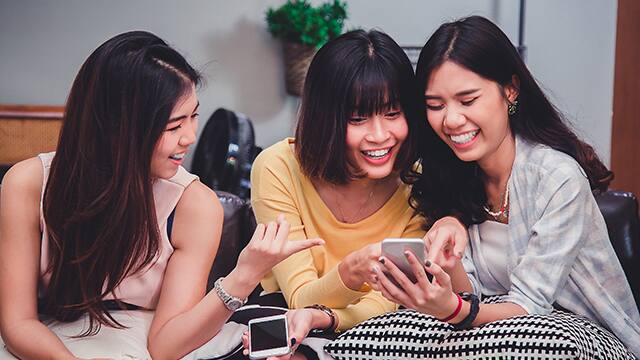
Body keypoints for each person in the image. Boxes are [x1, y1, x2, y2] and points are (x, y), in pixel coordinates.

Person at [0, 31, 321, 360]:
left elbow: (166, 345)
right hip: (47, 343)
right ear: (119, 127)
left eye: (193, 117)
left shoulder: (194, 204)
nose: (191, 137)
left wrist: (245, 275)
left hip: (145, 344)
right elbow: (18, 322)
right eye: (174, 126)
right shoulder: (28, 184)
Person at [368, 16, 640, 357]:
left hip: (578, 335)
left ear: (510, 89)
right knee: (387, 332)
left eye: (468, 101)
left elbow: (529, 306)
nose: (451, 120)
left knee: (537, 342)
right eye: (435, 106)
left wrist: (453, 310)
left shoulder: (557, 177)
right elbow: (473, 297)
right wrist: (448, 267)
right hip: (496, 332)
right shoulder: (455, 174)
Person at [246, 29, 437, 357]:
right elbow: (299, 298)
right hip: (285, 314)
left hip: (375, 326)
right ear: (326, 119)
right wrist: (351, 273)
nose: (380, 135)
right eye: (358, 119)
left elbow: (390, 302)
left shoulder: (419, 184)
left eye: (392, 114)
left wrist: (327, 317)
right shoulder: (278, 167)